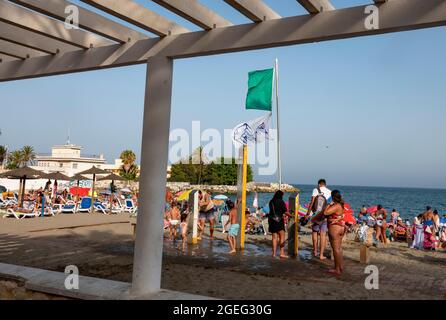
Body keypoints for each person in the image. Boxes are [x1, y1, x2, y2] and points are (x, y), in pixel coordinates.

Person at [307, 179, 331, 260]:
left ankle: (315, 251)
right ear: (325, 184)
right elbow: (330, 205)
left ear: (319, 184)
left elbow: (312, 202)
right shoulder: (330, 192)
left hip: (316, 216)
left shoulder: (315, 190)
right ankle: (321, 255)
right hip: (324, 217)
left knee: (314, 233)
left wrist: (308, 214)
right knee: (323, 235)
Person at [324, 190, 346, 276]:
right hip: (340, 227)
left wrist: (329, 204)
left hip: (335, 228)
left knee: (335, 249)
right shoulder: (341, 205)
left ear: (333, 197)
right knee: (339, 248)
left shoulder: (336, 205)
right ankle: (340, 266)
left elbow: (326, 212)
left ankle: (337, 269)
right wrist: (336, 219)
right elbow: (341, 216)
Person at [268, 190, 292, 259]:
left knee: (274, 238)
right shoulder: (281, 201)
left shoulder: (271, 201)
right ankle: (282, 253)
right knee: (282, 236)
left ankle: (274, 254)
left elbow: (272, 211)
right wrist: (291, 215)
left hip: (271, 220)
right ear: (281, 195)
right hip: (279, 221)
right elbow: (285, 211)